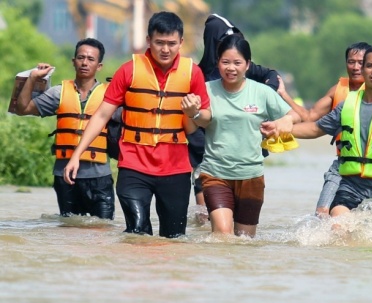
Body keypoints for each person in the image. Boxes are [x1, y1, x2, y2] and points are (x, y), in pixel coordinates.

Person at [63, 11, 210, 238]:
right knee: (137, 231)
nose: (165, 49)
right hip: (133, 166)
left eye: (172, 43)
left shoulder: (193, 73)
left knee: (174, 238)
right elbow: (101, 115)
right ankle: (135, 272)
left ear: (181, 42)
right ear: (148, 40)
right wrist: (75, 155)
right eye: (159, 42)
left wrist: (195, 112)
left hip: (175, 168)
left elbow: (207, 118)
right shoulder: (128, 70)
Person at [262, 46, 372, 217]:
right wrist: (279, 129)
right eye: (369, 66)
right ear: (363, 69)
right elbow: (315, 127)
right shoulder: (346, 104)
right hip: (350, 183)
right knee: (335, 223)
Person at [181, 34, 300, 237]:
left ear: (247, 65)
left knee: (245, 241)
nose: (231, 68)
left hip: (251, 176)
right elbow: (196, 125)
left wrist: (285, 121)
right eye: (225, 62)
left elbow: (294, 115)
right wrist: (192, 113)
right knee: (223, 235)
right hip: (215, 174)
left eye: (237, 62)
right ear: (217, 63)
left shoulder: (262, 92)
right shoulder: (206, 90)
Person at [15, 38, 115, 220]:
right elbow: (23, 109)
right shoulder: (58, 92)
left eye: (91, 59)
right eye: (81, 57)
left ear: (99, 66)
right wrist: (32, 78)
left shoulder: (110, 95)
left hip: (100, 177)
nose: (85, 62)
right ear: (73, 61)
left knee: (103, 231)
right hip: (65, 176)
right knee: (70, 230)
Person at [191, 13, 281, 210]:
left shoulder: (246, 72)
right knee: (206, 217)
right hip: (206, 156)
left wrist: (267, 94)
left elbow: (272, 75)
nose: (231, 67)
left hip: (243, 161)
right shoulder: (198, 75)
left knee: (242, 234)